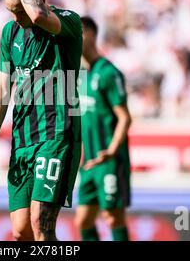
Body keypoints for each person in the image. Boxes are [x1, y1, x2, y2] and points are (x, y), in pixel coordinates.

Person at [0, 0, 82, 241]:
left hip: (56, 134)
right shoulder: (10, 33)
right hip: (23, 138)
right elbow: (3, 84)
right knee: (21, 231)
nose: (17, 18)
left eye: (19, 10)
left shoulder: (67, 23)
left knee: (41, 223)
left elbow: (37, 15)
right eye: (10, 11)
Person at [75, 16, 132, 241]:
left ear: (89, 34)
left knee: (112, 217)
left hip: (108, 160)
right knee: (83, 220)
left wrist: (111, 150)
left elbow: (125, 118)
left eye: (77, 33)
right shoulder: (80, 76)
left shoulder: (109, 73)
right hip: (88, 162)